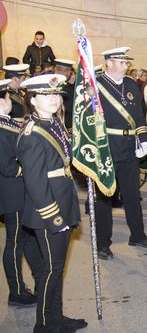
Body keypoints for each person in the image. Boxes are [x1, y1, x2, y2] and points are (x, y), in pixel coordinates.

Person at [16, 74, 86, 332]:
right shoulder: (32, 134)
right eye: (46, 95)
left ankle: (56, 317)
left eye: (56, 94)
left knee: (57, 268)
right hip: (48, 211)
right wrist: (54, 217)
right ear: (33, 100)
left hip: (63, 202)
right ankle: (43, 323)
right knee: (50, 269)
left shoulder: (53, 123)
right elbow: (36, 184)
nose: (54, 99)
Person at [95, 47, 147, 260]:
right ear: (109, 62)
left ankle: (137, 235)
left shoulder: (131, 84)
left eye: (126, 62)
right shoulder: (97, 86)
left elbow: (139, 114)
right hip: (107, 147)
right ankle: (103, 243)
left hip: (129, 146)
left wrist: (142, 136)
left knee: (132, 194)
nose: (126, 66)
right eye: (122, 62)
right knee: (104, 197)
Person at [0, 79, 42, 308]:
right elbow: (6, 166)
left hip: (17, 192)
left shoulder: (6, 123)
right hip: (11, 194)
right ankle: (15, 291)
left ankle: (38, 277)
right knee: (15, 242)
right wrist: (29, 169)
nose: (9, 101)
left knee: (24, 239)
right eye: (6, 97)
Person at [53, 59, 76, 131]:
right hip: (66, 128)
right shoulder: (67, 88)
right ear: (68, 72)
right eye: (70, 71)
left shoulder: (50, 86)